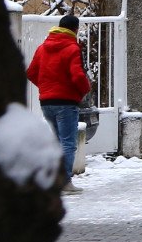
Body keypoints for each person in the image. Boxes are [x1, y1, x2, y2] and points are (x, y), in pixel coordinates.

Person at [26, 13, 92, 193]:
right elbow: (78, 75)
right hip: (66, 102)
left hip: (46, 102)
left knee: (57, 142)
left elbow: (31, 72)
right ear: (75, 29)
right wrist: (85, 89)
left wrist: (47, 88)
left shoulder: (42, 48)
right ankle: (64, 182)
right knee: (68, 143)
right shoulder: (72, 48)